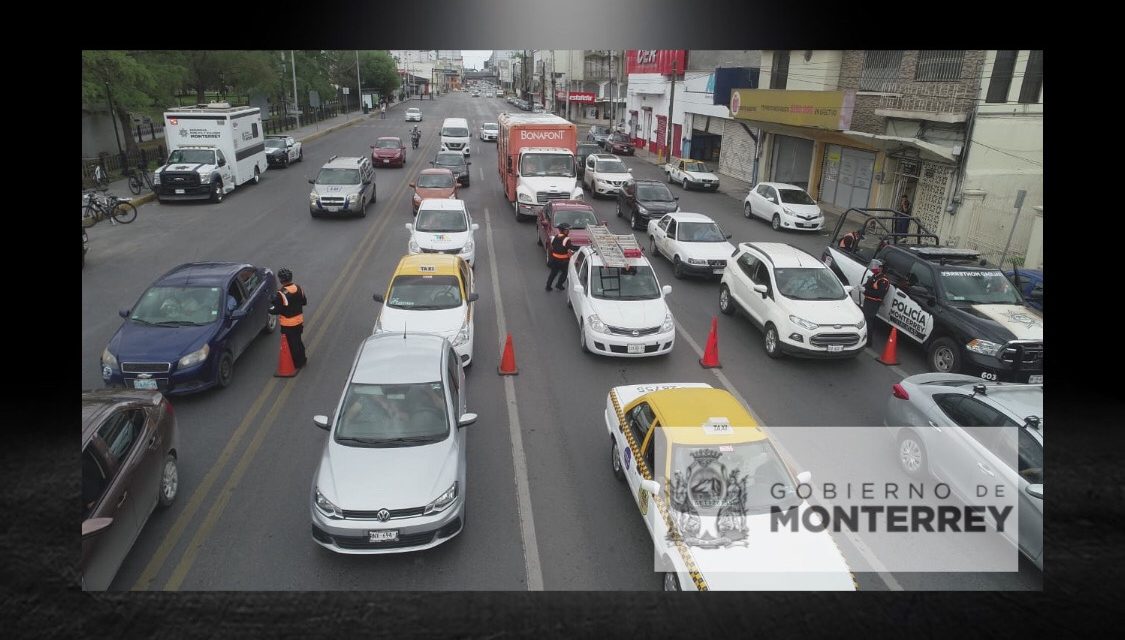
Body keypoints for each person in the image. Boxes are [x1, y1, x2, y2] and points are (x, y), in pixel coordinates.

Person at [269, 268, 308, 368]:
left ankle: (297, 363)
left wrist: (269, 308)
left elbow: (276, 310)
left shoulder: (281, 293)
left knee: (292, 344)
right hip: (299, 321)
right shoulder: (298, 288)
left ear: (281, 280)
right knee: (298, 341)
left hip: (288, 324)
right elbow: (304, 302)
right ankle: (302, 360)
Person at [862, 260, 891, 345]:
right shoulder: (875, 276)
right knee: (865, 320)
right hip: (868, 301)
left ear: (881, 268)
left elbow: (879, 294)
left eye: (876, 266)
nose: (874, 267)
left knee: (868, 321)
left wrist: (865, 291)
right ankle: (864, 339)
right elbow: (868, 285)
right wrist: (862, 287)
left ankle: (868, 342)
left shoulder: (883, 280)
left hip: (874, 303)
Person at [545, 223, 576, 291]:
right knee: (564, 273)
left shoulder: (556, 236)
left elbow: (553, 247)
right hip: (563, 261)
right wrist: (574, 259)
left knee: (553, 273)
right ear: (563, 230)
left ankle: (548, 286)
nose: (568, 231)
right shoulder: (567, 239)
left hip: (554, 259)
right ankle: (559, 285)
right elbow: (569, 251)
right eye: (567, 230)